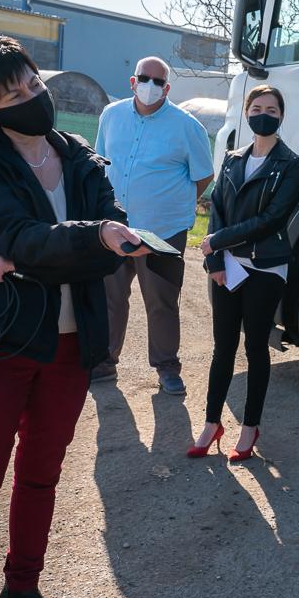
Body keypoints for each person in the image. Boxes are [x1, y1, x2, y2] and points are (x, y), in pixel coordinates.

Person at [0, 34, 150, 598]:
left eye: (34, 83)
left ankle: (22, 588)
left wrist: (68, 245)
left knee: (41, 474)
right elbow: (23, 236)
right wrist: (87, 241)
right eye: (16, 95)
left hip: (69, 343)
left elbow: (103, 233)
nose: (35, 97)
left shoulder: (78, 154)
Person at [188, 86, 299, 462]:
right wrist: (215, 260)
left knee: (255, 346)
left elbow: (272, 219)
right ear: (245, 112)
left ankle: (250, 427)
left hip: (266, 266)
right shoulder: (232, 159)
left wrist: (217, 241)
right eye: (256, 108)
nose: (263, 114)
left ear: (281, 116)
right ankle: (211, 423)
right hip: (229, 265)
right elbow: (218, 208)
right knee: (222, 347)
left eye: (271, 109)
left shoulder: (292, 164)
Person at [91, 56, 213, 394]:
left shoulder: (188, 127)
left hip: (164, 231)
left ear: (167, 88)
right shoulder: (111, 115)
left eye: (158, 82)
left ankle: (167, 367)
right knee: (110, 297)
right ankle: (104, 361)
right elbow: (102, 162)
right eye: (144, 79)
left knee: (161, 301)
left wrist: (171, 204)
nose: (150, 86)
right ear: (133, 82)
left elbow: (203, 175)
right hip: (116, 227)